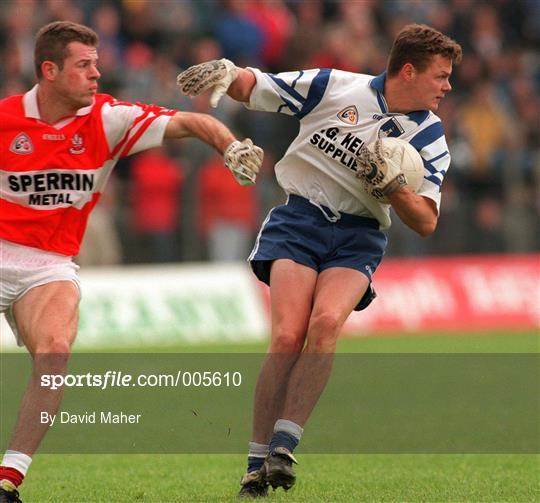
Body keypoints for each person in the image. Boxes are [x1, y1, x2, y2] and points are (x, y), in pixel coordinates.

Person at [177, 23, 462, 497]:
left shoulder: (431, 137)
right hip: (300, 221)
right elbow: (260, 87)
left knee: (326, 324)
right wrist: (227, 73)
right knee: (288, 335)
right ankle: (254, 461)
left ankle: (283, 447)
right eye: (441, 76)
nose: (447, 86)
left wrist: (393, 186)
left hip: (359, 237)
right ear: (408, 71)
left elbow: (426, 220)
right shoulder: (335, 86)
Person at [0, 21, 263, 503]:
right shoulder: (5, 120)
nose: (98, 74)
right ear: (49, 70)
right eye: (85, 66)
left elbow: (190, 121)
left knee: (55, 352)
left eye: (97, 63)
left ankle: (8, 479)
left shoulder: (107, 118)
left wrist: (230, 146)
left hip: (50, 264)